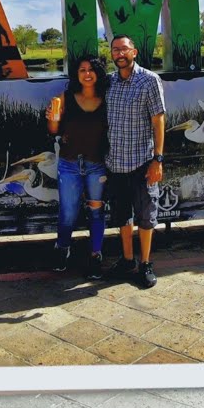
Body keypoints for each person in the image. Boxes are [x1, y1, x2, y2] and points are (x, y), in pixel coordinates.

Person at [103, 34, 166, 289]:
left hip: (142, 161)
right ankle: (128, 259)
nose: (119, 53)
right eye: (115, 50)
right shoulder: (109, 83)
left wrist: (158, 159)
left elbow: (158, 120)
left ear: (134, 52)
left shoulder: (149, 80)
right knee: (122, 216)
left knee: (146, 216)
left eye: (124, 49)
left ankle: (146, 263)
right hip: (115, 162)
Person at [45, 55, 109, 279]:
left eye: (91, 69)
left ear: (99, 73)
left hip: (97, 164)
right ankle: (62, 248)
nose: (87, 73)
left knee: (96, 210)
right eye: (82, 70)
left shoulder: (108, 98)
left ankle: (96, 255)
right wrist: (52, 117)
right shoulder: (66, 98)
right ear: (76, 75)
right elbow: (53, 130)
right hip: (70, 163)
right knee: (68, 210)